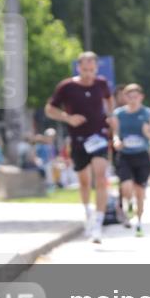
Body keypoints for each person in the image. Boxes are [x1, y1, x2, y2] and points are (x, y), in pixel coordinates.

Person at [45, 51, 115, 243]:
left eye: (92, 70)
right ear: (78, 68)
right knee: (84, 181)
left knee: (101, 178)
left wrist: (110, 115)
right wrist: (68, 118)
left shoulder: (101, 84)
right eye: (85, 69)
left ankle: (98, 224)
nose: (88, 74)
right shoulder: (67, 86)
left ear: (96, 69)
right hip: (78, 140)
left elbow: (109, 99)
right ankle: (88, 213)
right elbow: (49, 109)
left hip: (99, 136)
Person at [110, 84, 150, 237]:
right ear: (125, 98)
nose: (132, 99)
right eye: (129, 96)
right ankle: (128, 204)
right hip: (125, 155)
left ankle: (139, 222)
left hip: (142, 155)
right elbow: (115, 134)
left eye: (135, 96)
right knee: (126, 186)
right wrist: (116, 141)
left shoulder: (148, 113)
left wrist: (147, 132)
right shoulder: (118, 114)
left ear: (141, 97)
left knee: (140, 192)